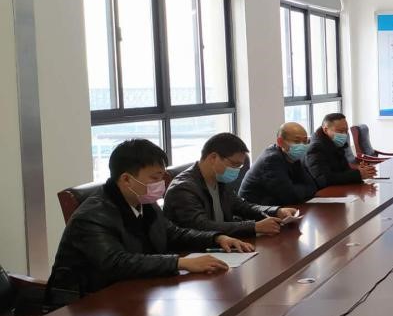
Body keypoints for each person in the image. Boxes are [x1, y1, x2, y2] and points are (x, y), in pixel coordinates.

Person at [47, 139, 253, 296]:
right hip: (87, 303)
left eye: (162, 177)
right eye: (154, 178)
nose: (160, 184)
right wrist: (180, 263)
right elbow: (117, 262)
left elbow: (173, 233)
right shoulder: (92, 216)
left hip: (136, 290)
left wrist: (216, 238)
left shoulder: (144, 203)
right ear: (126, 179)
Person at [164, 133, 300, 238]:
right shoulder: (183, 189)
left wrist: (277, 211)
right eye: (234, 164)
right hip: (193, 254)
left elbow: (243, 206)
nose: (237, 170)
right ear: (213, 158)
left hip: (223, 244)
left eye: (240, 166)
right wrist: (253, 226)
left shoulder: (219, 179)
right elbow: (201, 226)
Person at [239, 122, 320, 206]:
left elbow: (313, 187)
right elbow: (290, 196)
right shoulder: (271, 159)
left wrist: (295, 189)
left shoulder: (293, 157)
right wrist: (299, 189)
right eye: (296, 141)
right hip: (255, 209)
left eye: (305, 141)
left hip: (277, 206)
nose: (302, 146)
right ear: (280, 142)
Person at [306, 113, 376, 186]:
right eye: (340, 131)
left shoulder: (336, 143)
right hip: (327, 191)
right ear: (326, 130)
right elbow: (324, 179)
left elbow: (343, 170)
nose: (344, 134)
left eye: (346, 131)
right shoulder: (316, 149)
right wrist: (358, 174)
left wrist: (359, 169)